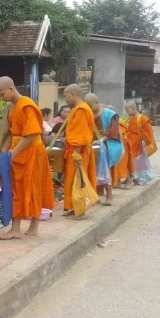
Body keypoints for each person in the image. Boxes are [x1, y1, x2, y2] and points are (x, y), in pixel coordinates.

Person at [0, 77, 54, 239]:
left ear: (11, 88)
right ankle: (15, 228)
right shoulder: (12, 107)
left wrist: (12, 153)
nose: (1, 98)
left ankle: (34, 224)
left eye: (2, 94)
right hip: (18, 150)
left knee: (34, 186)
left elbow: (32, 133)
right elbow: (12, 133)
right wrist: (3, 153)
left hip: (32, 151)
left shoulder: (27, 105)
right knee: (15, 188)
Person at [62, 85, 96, 218]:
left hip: (79, 150)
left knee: (79, 179)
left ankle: (80, 210)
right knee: (72, 179)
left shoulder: (82, 109)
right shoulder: (78, 109)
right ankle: (74, 207)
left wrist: (75, 154)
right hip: (76, 149)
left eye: (66, 95)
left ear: (74, 93)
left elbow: (79, 134)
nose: (65, 98)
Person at [85, 94, 123, 206]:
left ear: (97, 102)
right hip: (91, 145)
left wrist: (101, 140)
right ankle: (95, 194)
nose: (89, 108)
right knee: (91, 171)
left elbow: (113, 131)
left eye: (91, 105)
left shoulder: (109, 114)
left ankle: (109, 196)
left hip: (106, 146)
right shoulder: (87, 114)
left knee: (104, 171)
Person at [125, 101, 157, 184]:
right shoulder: (131, 119)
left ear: (133, 108)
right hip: (131, 144)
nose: (126, 112)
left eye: (127, 110)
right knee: (131, 162)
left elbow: (149, 131)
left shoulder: (142, 118)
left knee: (139, 163)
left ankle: (141, 179)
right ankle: (132, 178)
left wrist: (146, 141)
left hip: (138, 145)